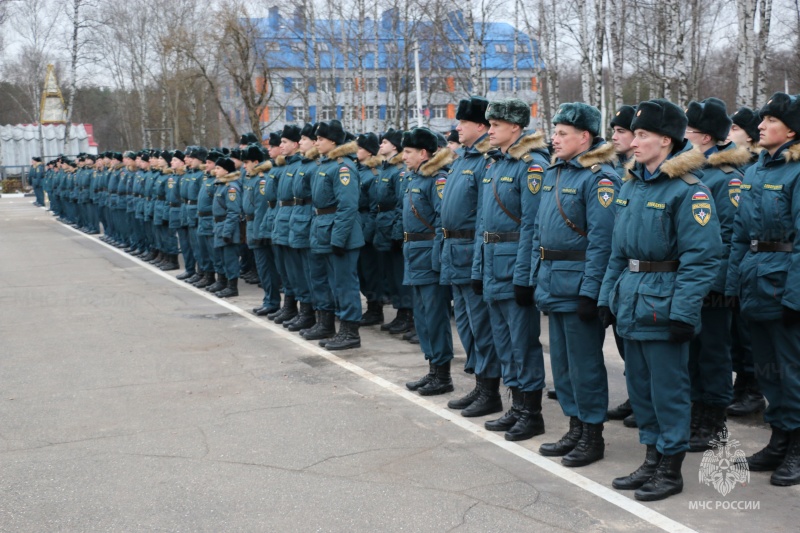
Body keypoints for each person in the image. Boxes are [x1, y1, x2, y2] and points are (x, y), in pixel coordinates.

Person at [598, 98, 723, 501]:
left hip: (663, 306)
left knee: (668, 391)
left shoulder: (689, 191)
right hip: (632, 302)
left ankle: (671, 468)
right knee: (640, 388)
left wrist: (684, 313)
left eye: (643, 135)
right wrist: (606, 297)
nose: (633, 142)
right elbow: (618, 250)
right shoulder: (633, 184)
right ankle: (651, 459)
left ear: (666, 141)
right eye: (634, 134)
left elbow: (701, 259)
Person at [534, 103, 620, 467]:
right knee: (564, 365)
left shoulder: (599, 178)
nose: (554, 139)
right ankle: (575, 426)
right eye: (554, 132)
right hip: (553, 283)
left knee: (585, 365)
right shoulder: (557, 173)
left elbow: (603, 241)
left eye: (562, 133)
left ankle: (592, 435)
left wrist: (591, 292)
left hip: (578, 285)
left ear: (584, 137)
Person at [728, 93, 800, 486]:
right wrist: (732, 284)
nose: (760, 126)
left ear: (791, 130)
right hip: (756, 280)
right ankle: (780, 438)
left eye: (770, 120)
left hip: (784, 282)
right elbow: (741, 234)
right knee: (768, 371)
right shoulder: (756, 169)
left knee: (792, 371)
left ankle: (797, 446)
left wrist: (795, 296)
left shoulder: (797, 170)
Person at [473, 98, 550, 442]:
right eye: (490, 125)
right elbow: (482, 224)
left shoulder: (531, 166)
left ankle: (531, 413)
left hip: (512, 266)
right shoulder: (494, 165)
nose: (489, 131)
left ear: (516, 129)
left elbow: (532, 226)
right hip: (492, 265)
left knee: (523, 344)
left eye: (496, 126)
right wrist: (478, 269)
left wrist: (524, 277)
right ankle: (516, 406)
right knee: (504, 343)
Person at [683, 98, 751, 452]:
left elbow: (729, 237)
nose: (684, 137)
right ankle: (696, 412)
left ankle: (713, 420)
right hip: (691, 282)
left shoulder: (727, 179)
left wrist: (718, 285)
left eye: (689, 131)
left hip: (714, 285)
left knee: (713, 353)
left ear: (705, 137)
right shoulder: (690, 171)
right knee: (692, 353)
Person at [439, 96, 503, 416]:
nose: (457, 127)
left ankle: (490, 388)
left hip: (470, 251)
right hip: (454, 251)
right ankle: (479, 384)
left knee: (481, 325)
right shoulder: (462, 159)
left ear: (481, 126)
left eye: (463, 122)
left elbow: (482, 215)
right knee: (465, 324)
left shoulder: (484, 161)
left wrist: (477, 257)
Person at [401, 127, 456, 395]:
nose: (404, 156)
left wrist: (437, 259)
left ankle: (443, 375)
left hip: (428, 255)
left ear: (424, 153)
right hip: (414, 253)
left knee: (435, 316)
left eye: (408, 152)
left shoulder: (437, 180)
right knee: (422, 317)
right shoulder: (415, 179)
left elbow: (441, 220)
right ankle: (433, 368)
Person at [725, 106, 768, 417]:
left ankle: (752, 388)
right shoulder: (750, 168)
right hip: (744, 259)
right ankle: (742, 383)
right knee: (738, 331)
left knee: (751, 332)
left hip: (765, 264)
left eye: (735, 128)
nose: (729, 134)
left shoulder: (754, 167)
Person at [310, 120, 364, 350]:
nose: (316, 143)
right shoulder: (326, 165)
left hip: (341, 233)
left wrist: (339, 238)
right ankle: (339, 328)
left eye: (320, 139)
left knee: (345, 284)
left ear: (332, 141)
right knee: (334, 283)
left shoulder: (343, 167)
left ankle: (350, 332)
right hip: (326, 229)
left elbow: (347, 206)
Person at [606, 104, 638, 428]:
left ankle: (643, 401)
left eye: (621, 131)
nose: (614, 136)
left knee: (637, 344)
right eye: (613, 130)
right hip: (617, 269)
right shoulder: (615, 167)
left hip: (637, 270)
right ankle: (635, 396)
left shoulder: (638, 172)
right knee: (623, 340)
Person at [375, 129, 415, 335]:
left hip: (393, 226)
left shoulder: (399, 171)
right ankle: (401, 313)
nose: (380, 145)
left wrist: (397, 232)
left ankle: (408, 315)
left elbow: (400, 204)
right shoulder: (385, 169)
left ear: (394, 146)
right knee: (391, 274)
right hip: (385, 226)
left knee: (400, 274)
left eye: (384, 142)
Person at [355, 132, 385, 326]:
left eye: (359, 148)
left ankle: (376, 308)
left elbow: (375, 207)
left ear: (369, 151)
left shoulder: (373, 173)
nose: (356, 151)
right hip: (358, 222)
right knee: (361, 271)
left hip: (366, 225)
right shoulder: (358, 170)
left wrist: (367, 233)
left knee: (370, 271)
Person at [211, 156, 243, 298]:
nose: (215, 170)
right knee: (222, 258)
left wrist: (228, 232)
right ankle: (224, 283)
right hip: (220, 225)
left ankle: (232, 287)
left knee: (230, 259)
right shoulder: (221, 185)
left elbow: (233, 212)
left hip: (227, 227)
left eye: (218, 168)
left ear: (226, 170)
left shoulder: (231, 188)